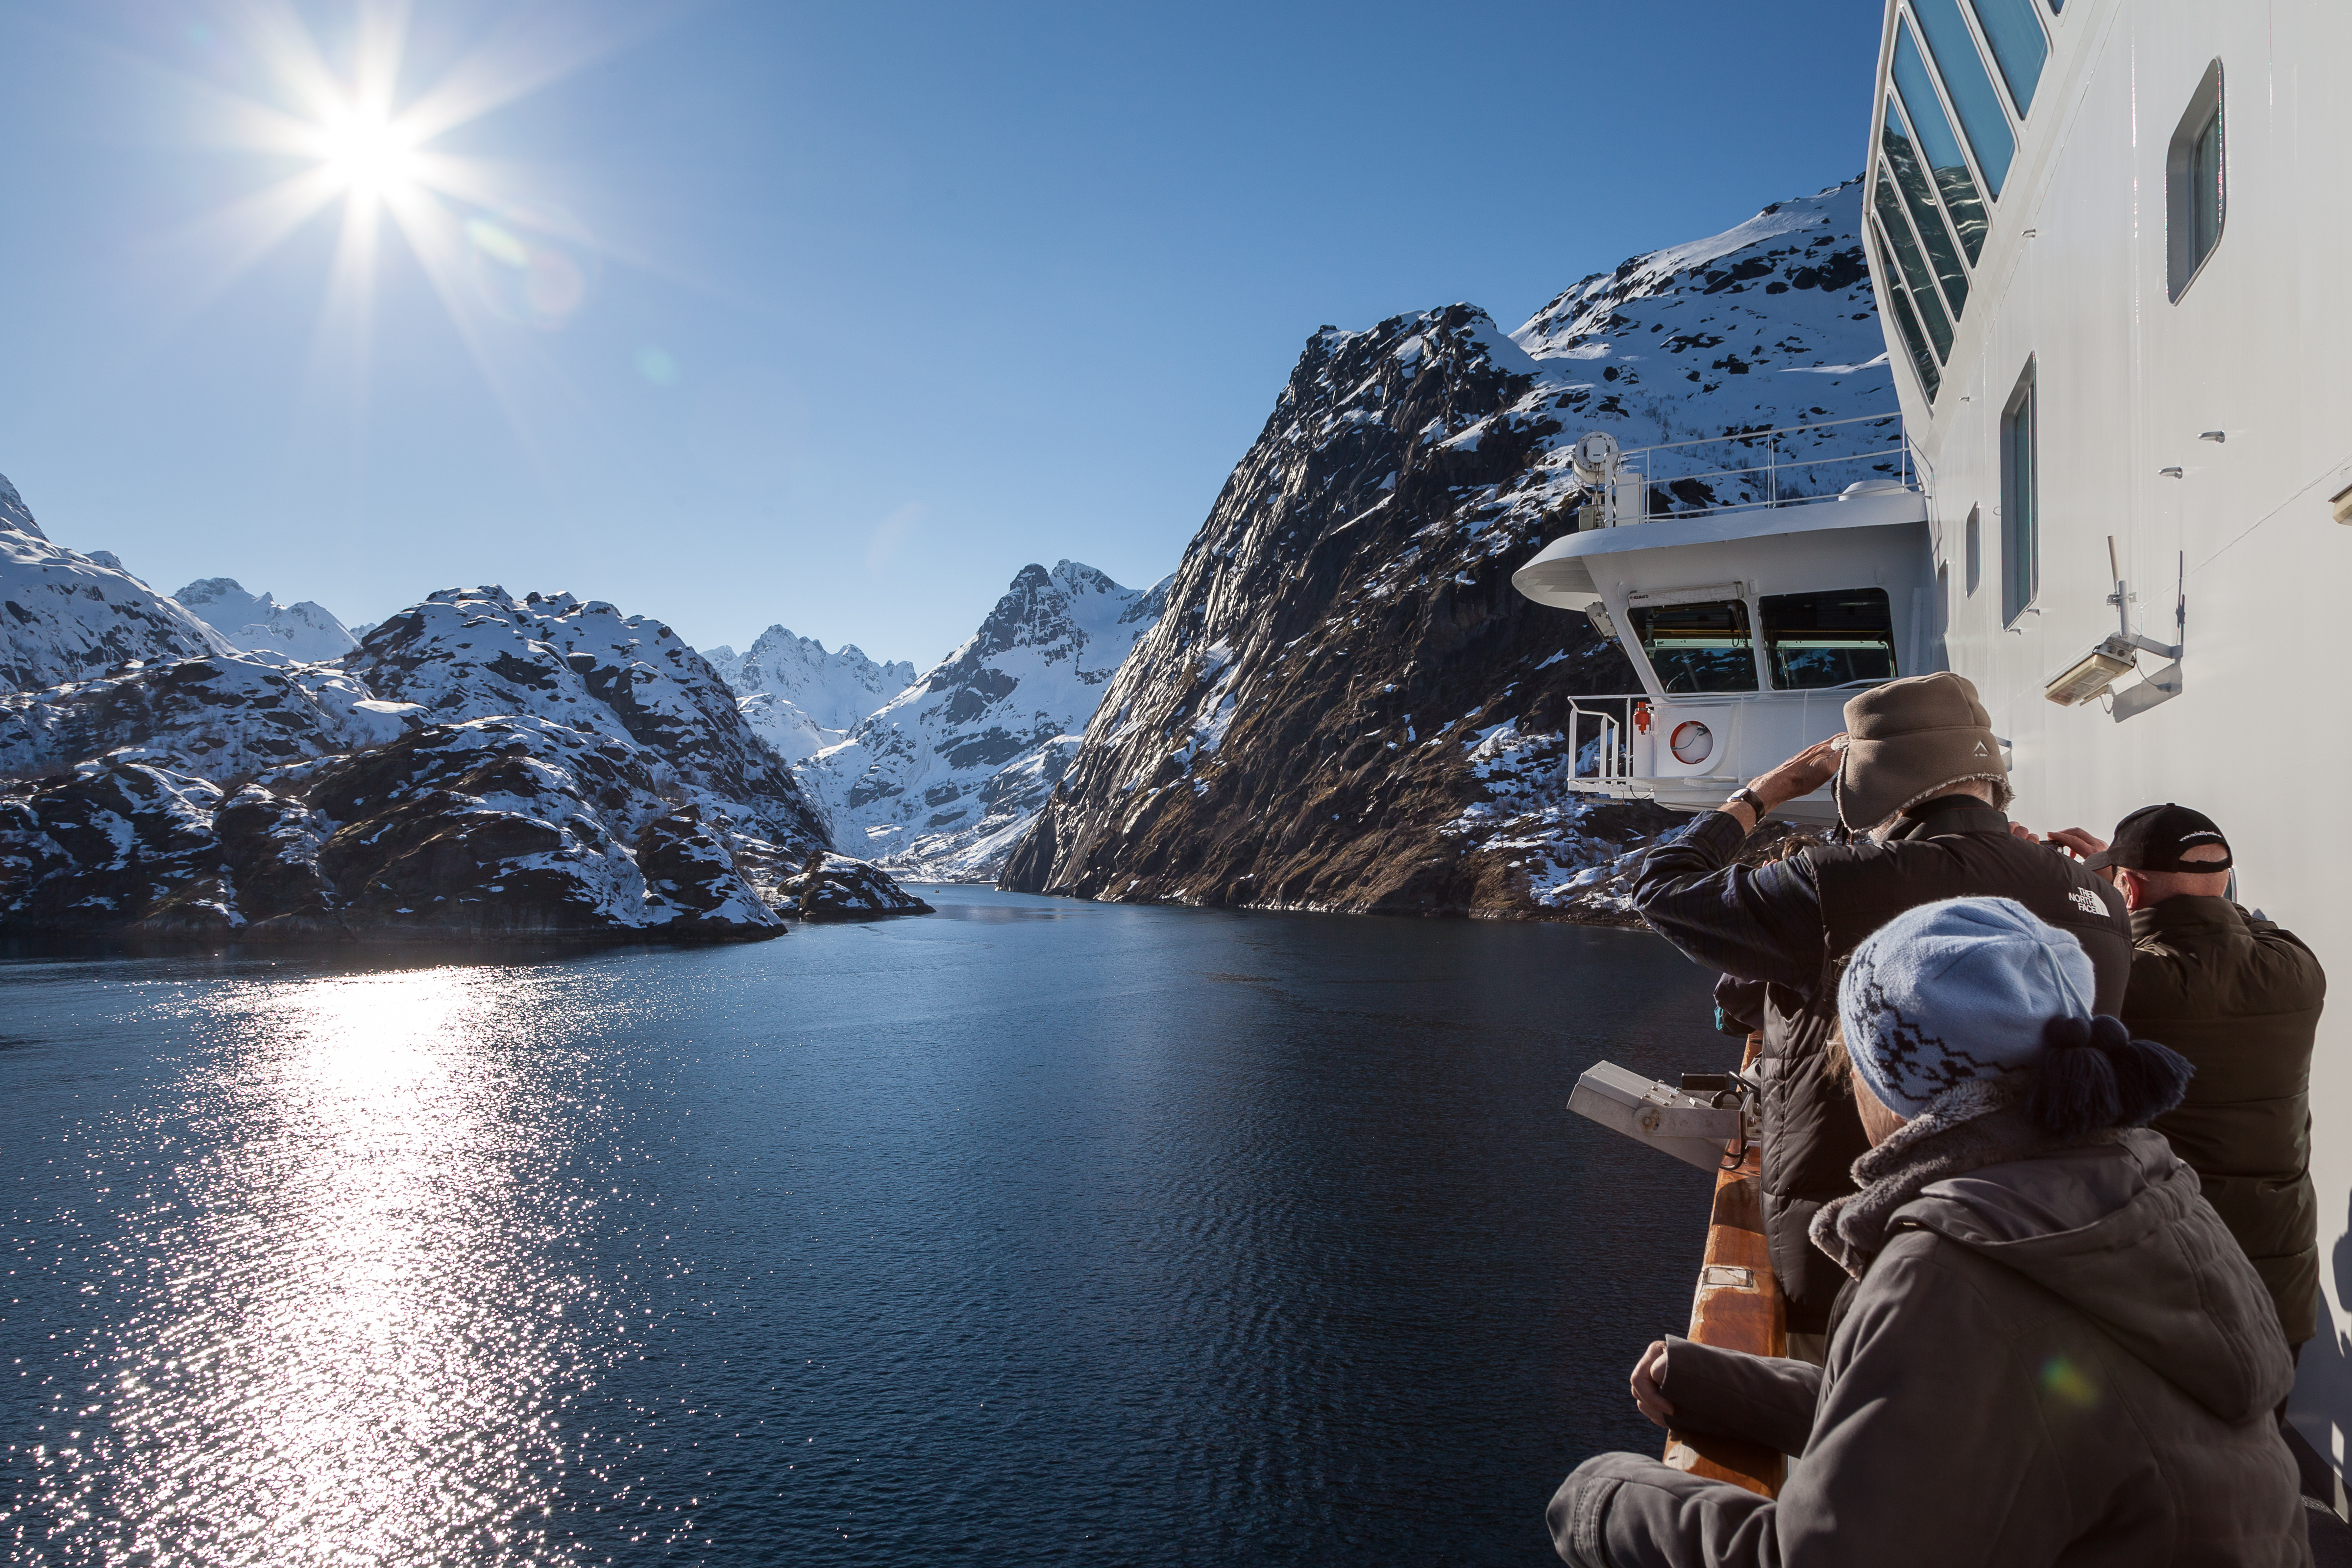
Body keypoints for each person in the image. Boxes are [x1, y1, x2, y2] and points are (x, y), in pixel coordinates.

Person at [1547, 896, 2311, 1568]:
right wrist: (1720, 1384)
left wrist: (1601, 1498)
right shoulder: (2142, 1181)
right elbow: (1966, 1416)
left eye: (1850, 1059)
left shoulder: (1953, 1266)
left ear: (1901, 1079)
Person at [1632, 672, 2130, 1355]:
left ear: (1869, 781)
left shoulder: (1836, 883)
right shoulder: (2094, 895)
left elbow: (1663, 890)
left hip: (1858, 1264)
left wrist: (1761, 795)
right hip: (2053, 1249)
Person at [2043, 803, 2327, 1356]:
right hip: (2279, 1277)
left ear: (2128, 886)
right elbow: (2235, 922)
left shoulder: (2128, 979)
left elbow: (2070, 961)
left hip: (2173, 1267)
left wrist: (2098, 896)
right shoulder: (2298, 967)